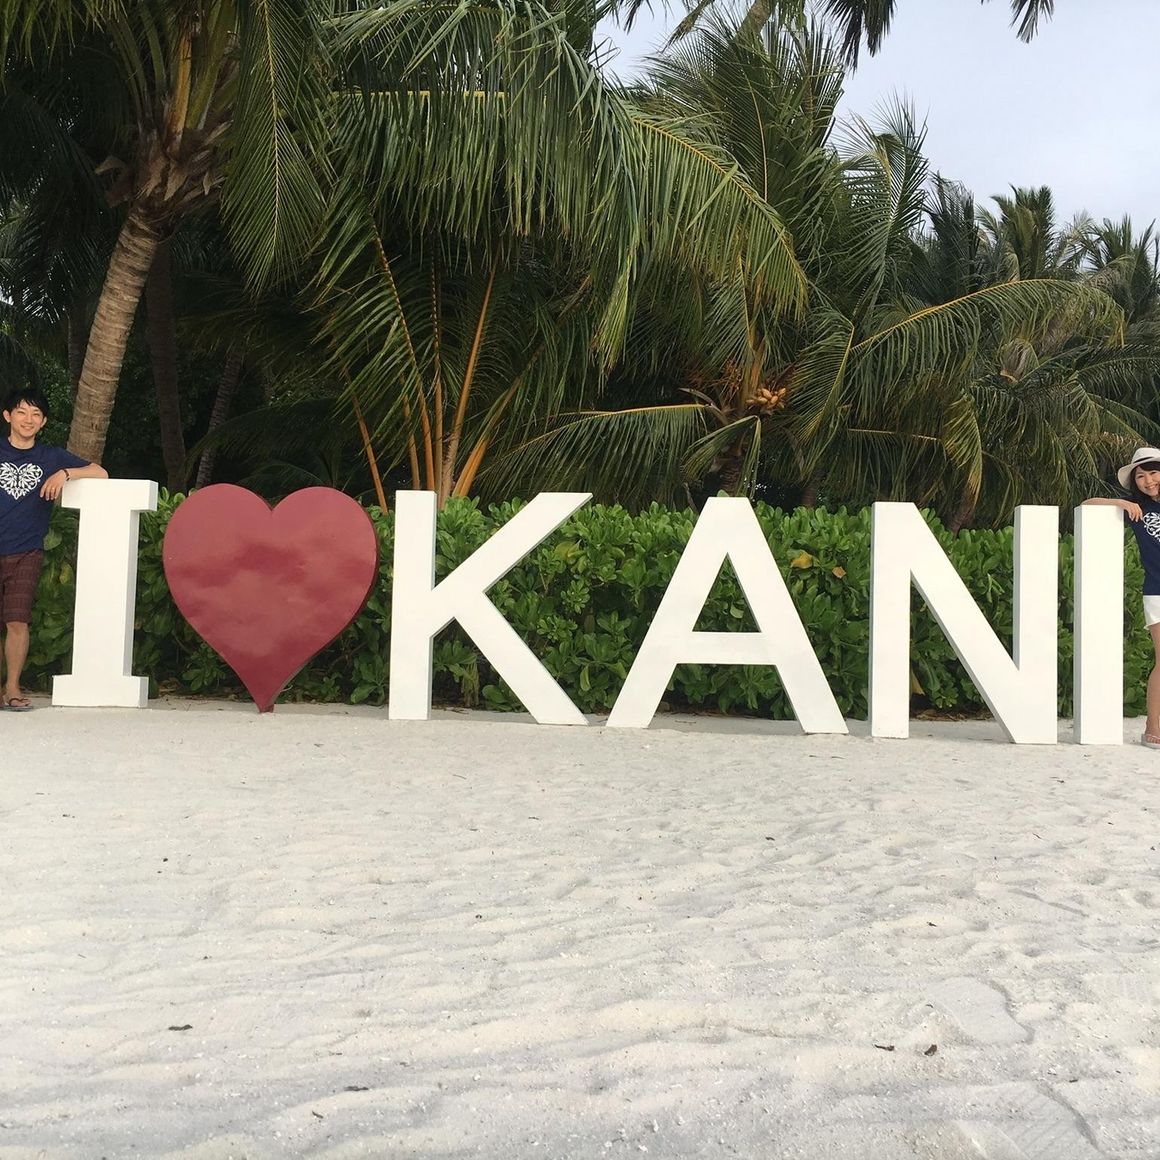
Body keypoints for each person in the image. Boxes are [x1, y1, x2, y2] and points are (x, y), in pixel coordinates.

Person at [0, 388, 107, 710]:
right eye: (21, 412)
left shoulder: (52, 457)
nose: (28, 419)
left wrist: (65, 473)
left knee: (18, 621)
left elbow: (100, 472)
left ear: (43, 422)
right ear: (7, 416)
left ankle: (12, 687)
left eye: (36, 414)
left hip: (27, 551)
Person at [1084, 446, 1160, 748]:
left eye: (1153, 473)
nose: (1148, 481)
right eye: (1140, 476)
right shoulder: (1137, 508)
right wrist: (1120, 502)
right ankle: (1153, 727)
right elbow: (1087, 504)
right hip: (1157, 591)